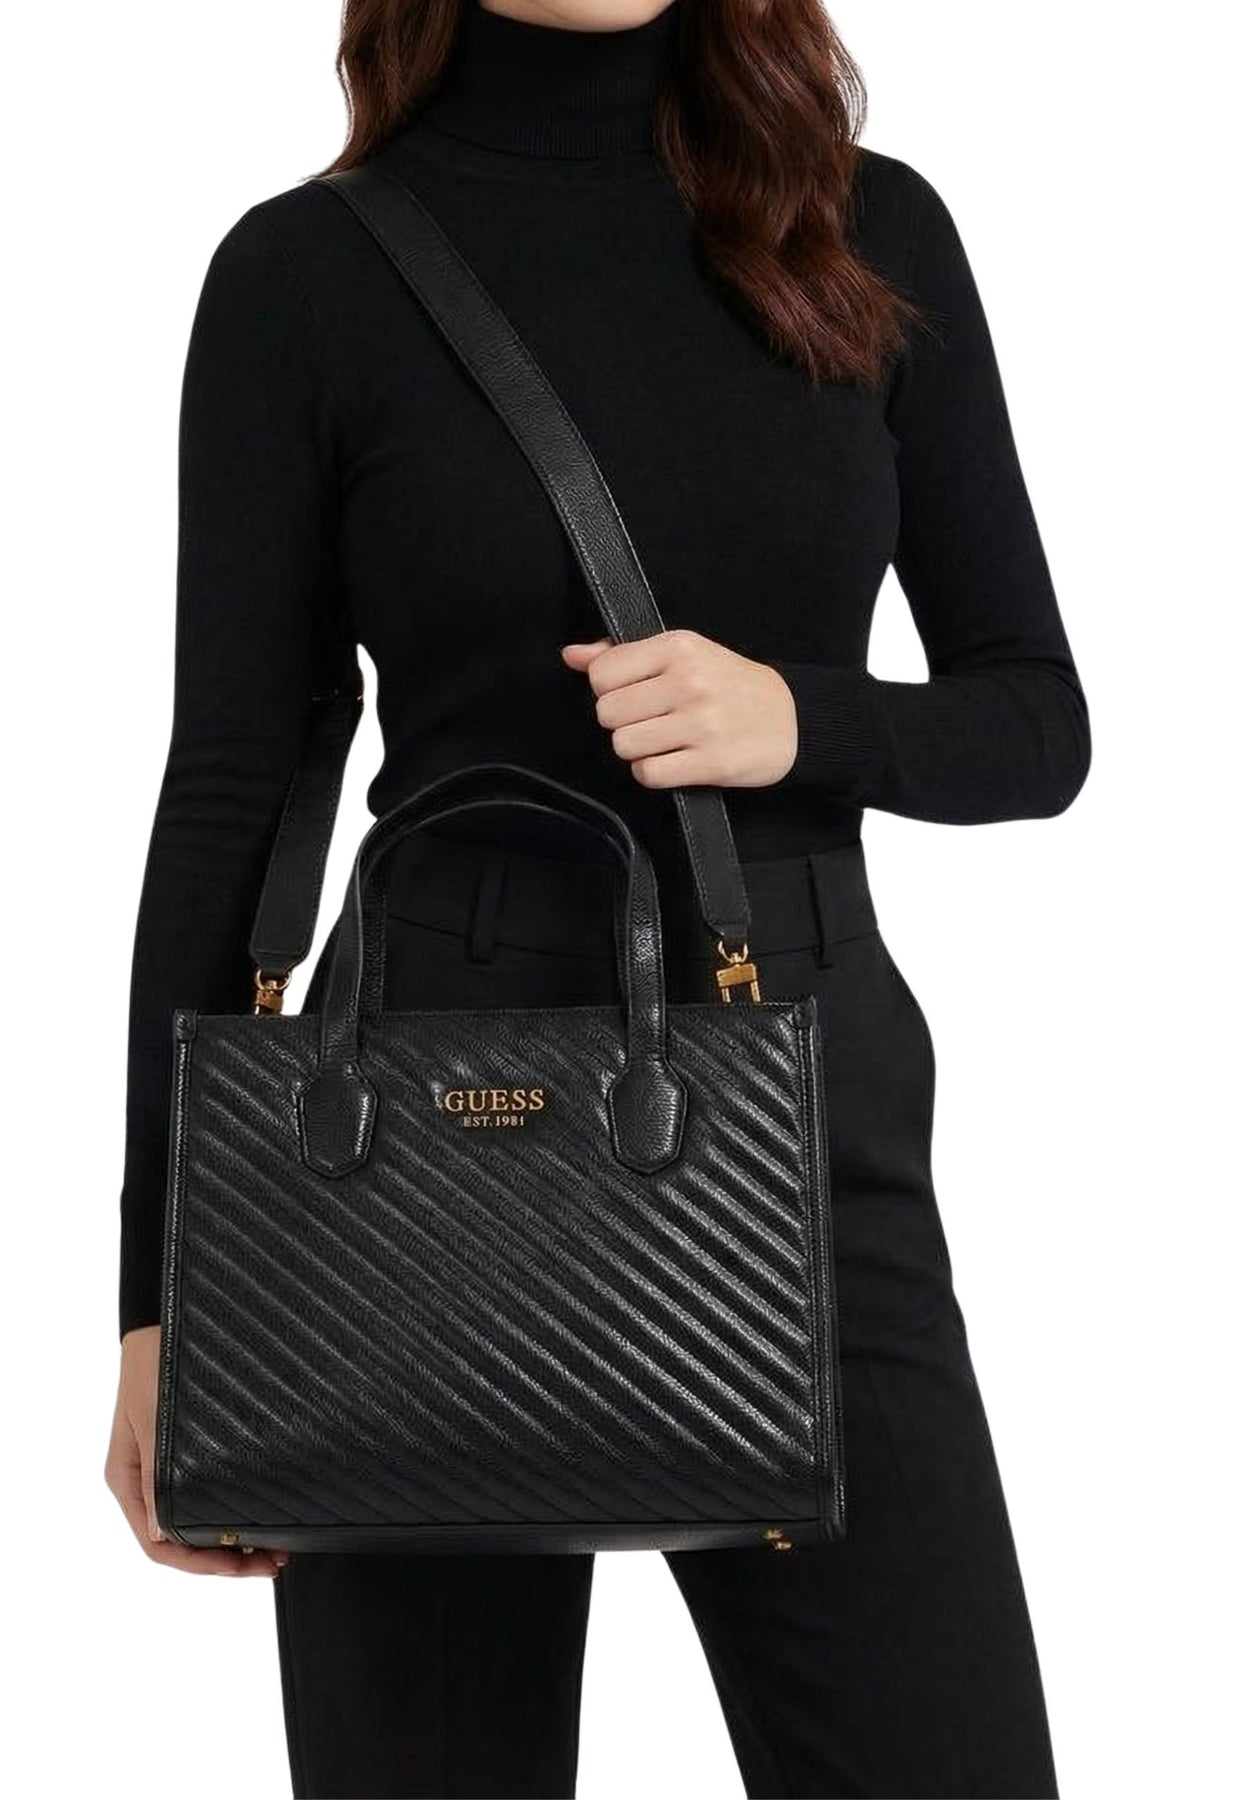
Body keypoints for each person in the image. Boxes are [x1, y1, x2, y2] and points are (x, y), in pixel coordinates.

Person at [104, 0, 1091, 1794]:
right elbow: (233, 793)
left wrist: (796, 720)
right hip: (400, 1151)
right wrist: (161, 1297)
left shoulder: (866, 226)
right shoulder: (306, 273)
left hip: (805, 1103)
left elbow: (1035, 722)